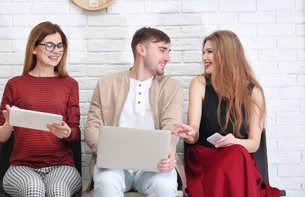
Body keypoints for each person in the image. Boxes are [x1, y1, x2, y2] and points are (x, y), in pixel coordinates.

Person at [172, 30, 281, 197]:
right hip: (205, 159)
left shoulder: (254, 91)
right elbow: (194, 132)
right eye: (204, 52)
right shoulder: (199, 83)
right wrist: (190, 133)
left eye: (210, 52)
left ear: (227, 54)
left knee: (237, 152)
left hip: (238, 159)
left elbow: (254, 143)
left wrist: (235, 142)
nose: (204, 58)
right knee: (237, 155)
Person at [84, 27, 185, 197]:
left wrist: (168, 152)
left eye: (168, 51)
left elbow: (172, 128)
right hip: (114, 165)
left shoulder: (172, 88)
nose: (167, 58)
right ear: (141, 50)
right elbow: (92, 127)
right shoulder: (106, 84)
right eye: (162, 50)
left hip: (155, 165)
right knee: (106, 184)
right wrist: (107, 152)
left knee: (164, 186)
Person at [0, 21, 82, 197]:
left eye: (60, 45)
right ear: (34, 48)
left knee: (58, 192)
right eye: (49, 45)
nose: (56, 50)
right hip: (21, 167)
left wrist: (67, 133)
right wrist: (9, 123)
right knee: (34, 190)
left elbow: (75, 135)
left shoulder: (70, 85)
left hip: (62, 166)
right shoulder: (15, 84)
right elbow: (0, 137)